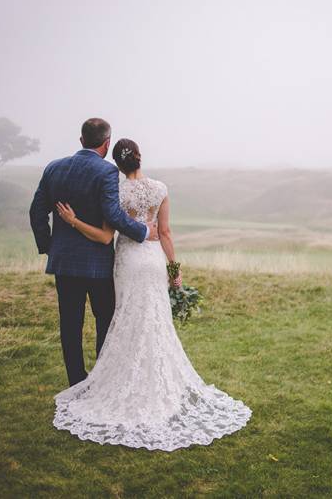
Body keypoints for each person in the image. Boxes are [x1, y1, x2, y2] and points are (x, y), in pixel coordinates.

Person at [49, 137, 251, 451]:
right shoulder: (160, 188)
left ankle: (122, 380)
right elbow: (165, 231)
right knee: (156, 321)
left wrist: (73, 221)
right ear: (140, 157)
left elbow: (106, 235)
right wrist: (174, 268)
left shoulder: (114, 192)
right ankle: (158, 382)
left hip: (129, 261)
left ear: (117, 164)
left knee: (127, 317)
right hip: (154, 260)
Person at [30, 118, 157, 387]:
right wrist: (144, 231)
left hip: (64, 263)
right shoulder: (106, 171)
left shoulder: (54, 168)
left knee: (70, 324)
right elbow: (113, 214)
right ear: (107, 143)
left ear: (81, 140)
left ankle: (76, 381)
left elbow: (36, 212)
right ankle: (101, 380)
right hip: (98, 264)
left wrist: (49, 246)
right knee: (105, 320)